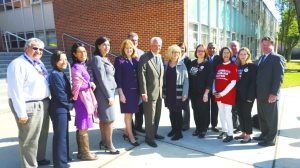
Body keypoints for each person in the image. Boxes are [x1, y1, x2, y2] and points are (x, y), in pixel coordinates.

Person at [7, 38, 50, 167]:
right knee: (29, 138)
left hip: (43, 102)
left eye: (41, 49)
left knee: (42, 135)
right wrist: (21, 113)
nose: (38, 51)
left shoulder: (37, 63)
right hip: (29, 105)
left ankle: (39, 158)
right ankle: (29, 165)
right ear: (26, 48)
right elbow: (15, 90)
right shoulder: (18, 64)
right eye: (35, 48)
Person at [254, 36, 285, 147]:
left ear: (272, 45)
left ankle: (271, 139)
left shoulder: (277, 58)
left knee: (271, 118)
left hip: (270, 94)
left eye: (267, 45)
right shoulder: (261, 58)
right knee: (262, 117)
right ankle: (264, 134)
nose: (265, 47)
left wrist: (274, 93)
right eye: (263, 45)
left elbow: (279, 77)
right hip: (260, 94)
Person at [91, 36, 120, 154]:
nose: (107, 47)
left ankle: (104, 142)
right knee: (109, 120)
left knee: (104, 119)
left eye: (108, 45)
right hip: (104, 93)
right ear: (98, 46)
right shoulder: (97, 59)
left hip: (108, 92)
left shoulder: (105, 58)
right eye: (104, 45)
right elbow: (101, 79)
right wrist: (109, 96)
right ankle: (109, 144)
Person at [71, 42, 98, 160]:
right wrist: (89, 84)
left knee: (82, 126)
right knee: (83, 127)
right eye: (80, 52)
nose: (83, 54)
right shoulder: (76, 67)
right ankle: (85, 154)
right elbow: (76, 87)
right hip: (82, 101)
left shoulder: (82, 66)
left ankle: (82, 152)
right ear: (74, 54)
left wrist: (88, 84)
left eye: (85, 51)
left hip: (84, 99)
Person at [138, 37, 165, 147]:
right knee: (150, 117)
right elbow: (142, 75)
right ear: (150, 45)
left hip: (159, 92)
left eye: (159, 45)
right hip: (149, 93)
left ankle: (154, 133)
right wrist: (143, 92)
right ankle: (149, 138)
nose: (157, 47)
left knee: (157, 115)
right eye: (155, 45)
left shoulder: (160, 57)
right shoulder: (145, 57)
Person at [48, 51, 74, 167]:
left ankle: (64, 158)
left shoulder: (61, 73)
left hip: (62, 107)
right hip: (59, 108)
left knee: (64, 135)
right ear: (55, 61)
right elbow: (60, 94)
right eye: (61, 59)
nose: (64, 62)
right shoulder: (55, 74)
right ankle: (60, 164)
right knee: (60, 136)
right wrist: (70, 106)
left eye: (65, 59)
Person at [114, 39, 140, 146]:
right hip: (126, 92)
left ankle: (126, 132)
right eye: (126, 48)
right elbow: (118, 78)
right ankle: (131, 137)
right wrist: (121, 93)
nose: (129, 50)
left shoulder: (136, 59)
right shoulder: (119, 60)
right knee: (128, 114)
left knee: (131, 113)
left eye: (130, 48)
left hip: (135, 92)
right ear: (123, 49)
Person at [163, 44, 189, 140]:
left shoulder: (182, 65)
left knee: (178, 113)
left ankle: (179, 133)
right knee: (171, 112)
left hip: (178, 93)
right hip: (169, 92)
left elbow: (186, 80)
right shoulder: (166, 64)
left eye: (177, 52)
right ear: (170, 53)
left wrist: (185, 94)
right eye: (174, 52)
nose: (175, 54)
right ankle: (173, 129)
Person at [213, 47, 238, 143]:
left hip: (227, 95)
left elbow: (233, 82)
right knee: (221, 112)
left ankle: (230, 134)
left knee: (228, 114)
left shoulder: (233, 66)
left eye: (228, 53)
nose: (226, 55)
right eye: (224, 53)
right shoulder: (219, 66)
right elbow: (215, 80)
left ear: (230, 54)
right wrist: (214, 90)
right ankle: (224, 130)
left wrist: (222, 93)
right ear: (221, 54)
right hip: (218, 94)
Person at [189, 44, 213, 138]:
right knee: (196, 111)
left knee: (204, 111)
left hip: (203, 93)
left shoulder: (208, 64)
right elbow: (190, 77)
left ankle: (203, 129)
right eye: (198, 50)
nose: (200, 52)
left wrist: (206, 93)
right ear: (196, 52)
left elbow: (210, 80)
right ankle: (198, 128)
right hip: (193, 93)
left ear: (205, 52)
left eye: (202, 51)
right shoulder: (193, 62)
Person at [234, 47, 257, 143]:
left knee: (246, 115)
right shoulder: (237, 67)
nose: (243, 56)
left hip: (248, 96)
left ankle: (248, 135)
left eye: (245, 54)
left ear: (248, 55)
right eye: (241, 54)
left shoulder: (252, 67)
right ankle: (243, 132)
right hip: (238, 95)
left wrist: (250, 97)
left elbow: (253, 83)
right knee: (240, 114)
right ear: (238, 55)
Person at [128, 32, 145, 133]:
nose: (135, 42)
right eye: (132, 40)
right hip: (129, 87)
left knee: (140, 108)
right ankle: (131, 129)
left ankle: (139, 126)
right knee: (130, 109)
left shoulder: (141, 53)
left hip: (140, 86)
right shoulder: (124, 53)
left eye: (136, 40)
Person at [206, 42, 222, 133]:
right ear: (207, 49)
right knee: (206, 107)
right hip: (206, 88)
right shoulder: (205, 58)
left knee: (215, 108)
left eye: (213, 48)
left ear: (216, 49)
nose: (211, 49)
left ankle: (214, 125)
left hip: (216, 87)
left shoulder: (219, 59)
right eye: (210, 48)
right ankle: (206, 124)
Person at [178, 42, 191, 131]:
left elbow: (188, 74)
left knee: (185, 106)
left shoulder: (187, 60)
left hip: (185, 85)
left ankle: (186, 124)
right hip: (177, 85)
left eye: (183, 48)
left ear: (185, 49)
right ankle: (179, 122)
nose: (181, 49)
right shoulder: (175, 59)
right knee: (178, 105)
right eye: (180, 47)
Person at [229, 40, 241, 133]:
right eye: (232, 46)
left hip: (240, 86)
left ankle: (240, 126)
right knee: (232, 107)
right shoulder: (228, 57)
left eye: (235, 46)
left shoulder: (242, 57)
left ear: (238, 47)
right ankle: (234, 125)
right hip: (230, 86)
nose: (233, 48)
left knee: (239, 107)